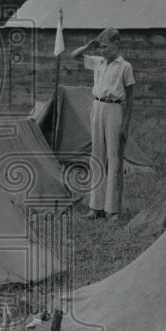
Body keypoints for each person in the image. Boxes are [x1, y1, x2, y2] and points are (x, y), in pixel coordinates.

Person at [69, 28, 135, 220]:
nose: (102, 51)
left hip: (114, 109)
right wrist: (88, 46)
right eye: (100, 47)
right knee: (96, 155)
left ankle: (112, 209)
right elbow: (74, 56)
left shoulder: (125, 67)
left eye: (105, 47)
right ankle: (95, 207)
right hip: (97, 107)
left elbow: (131, 97)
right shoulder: (98, 62)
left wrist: (126, 124)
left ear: (117, 44)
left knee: (113, 158)